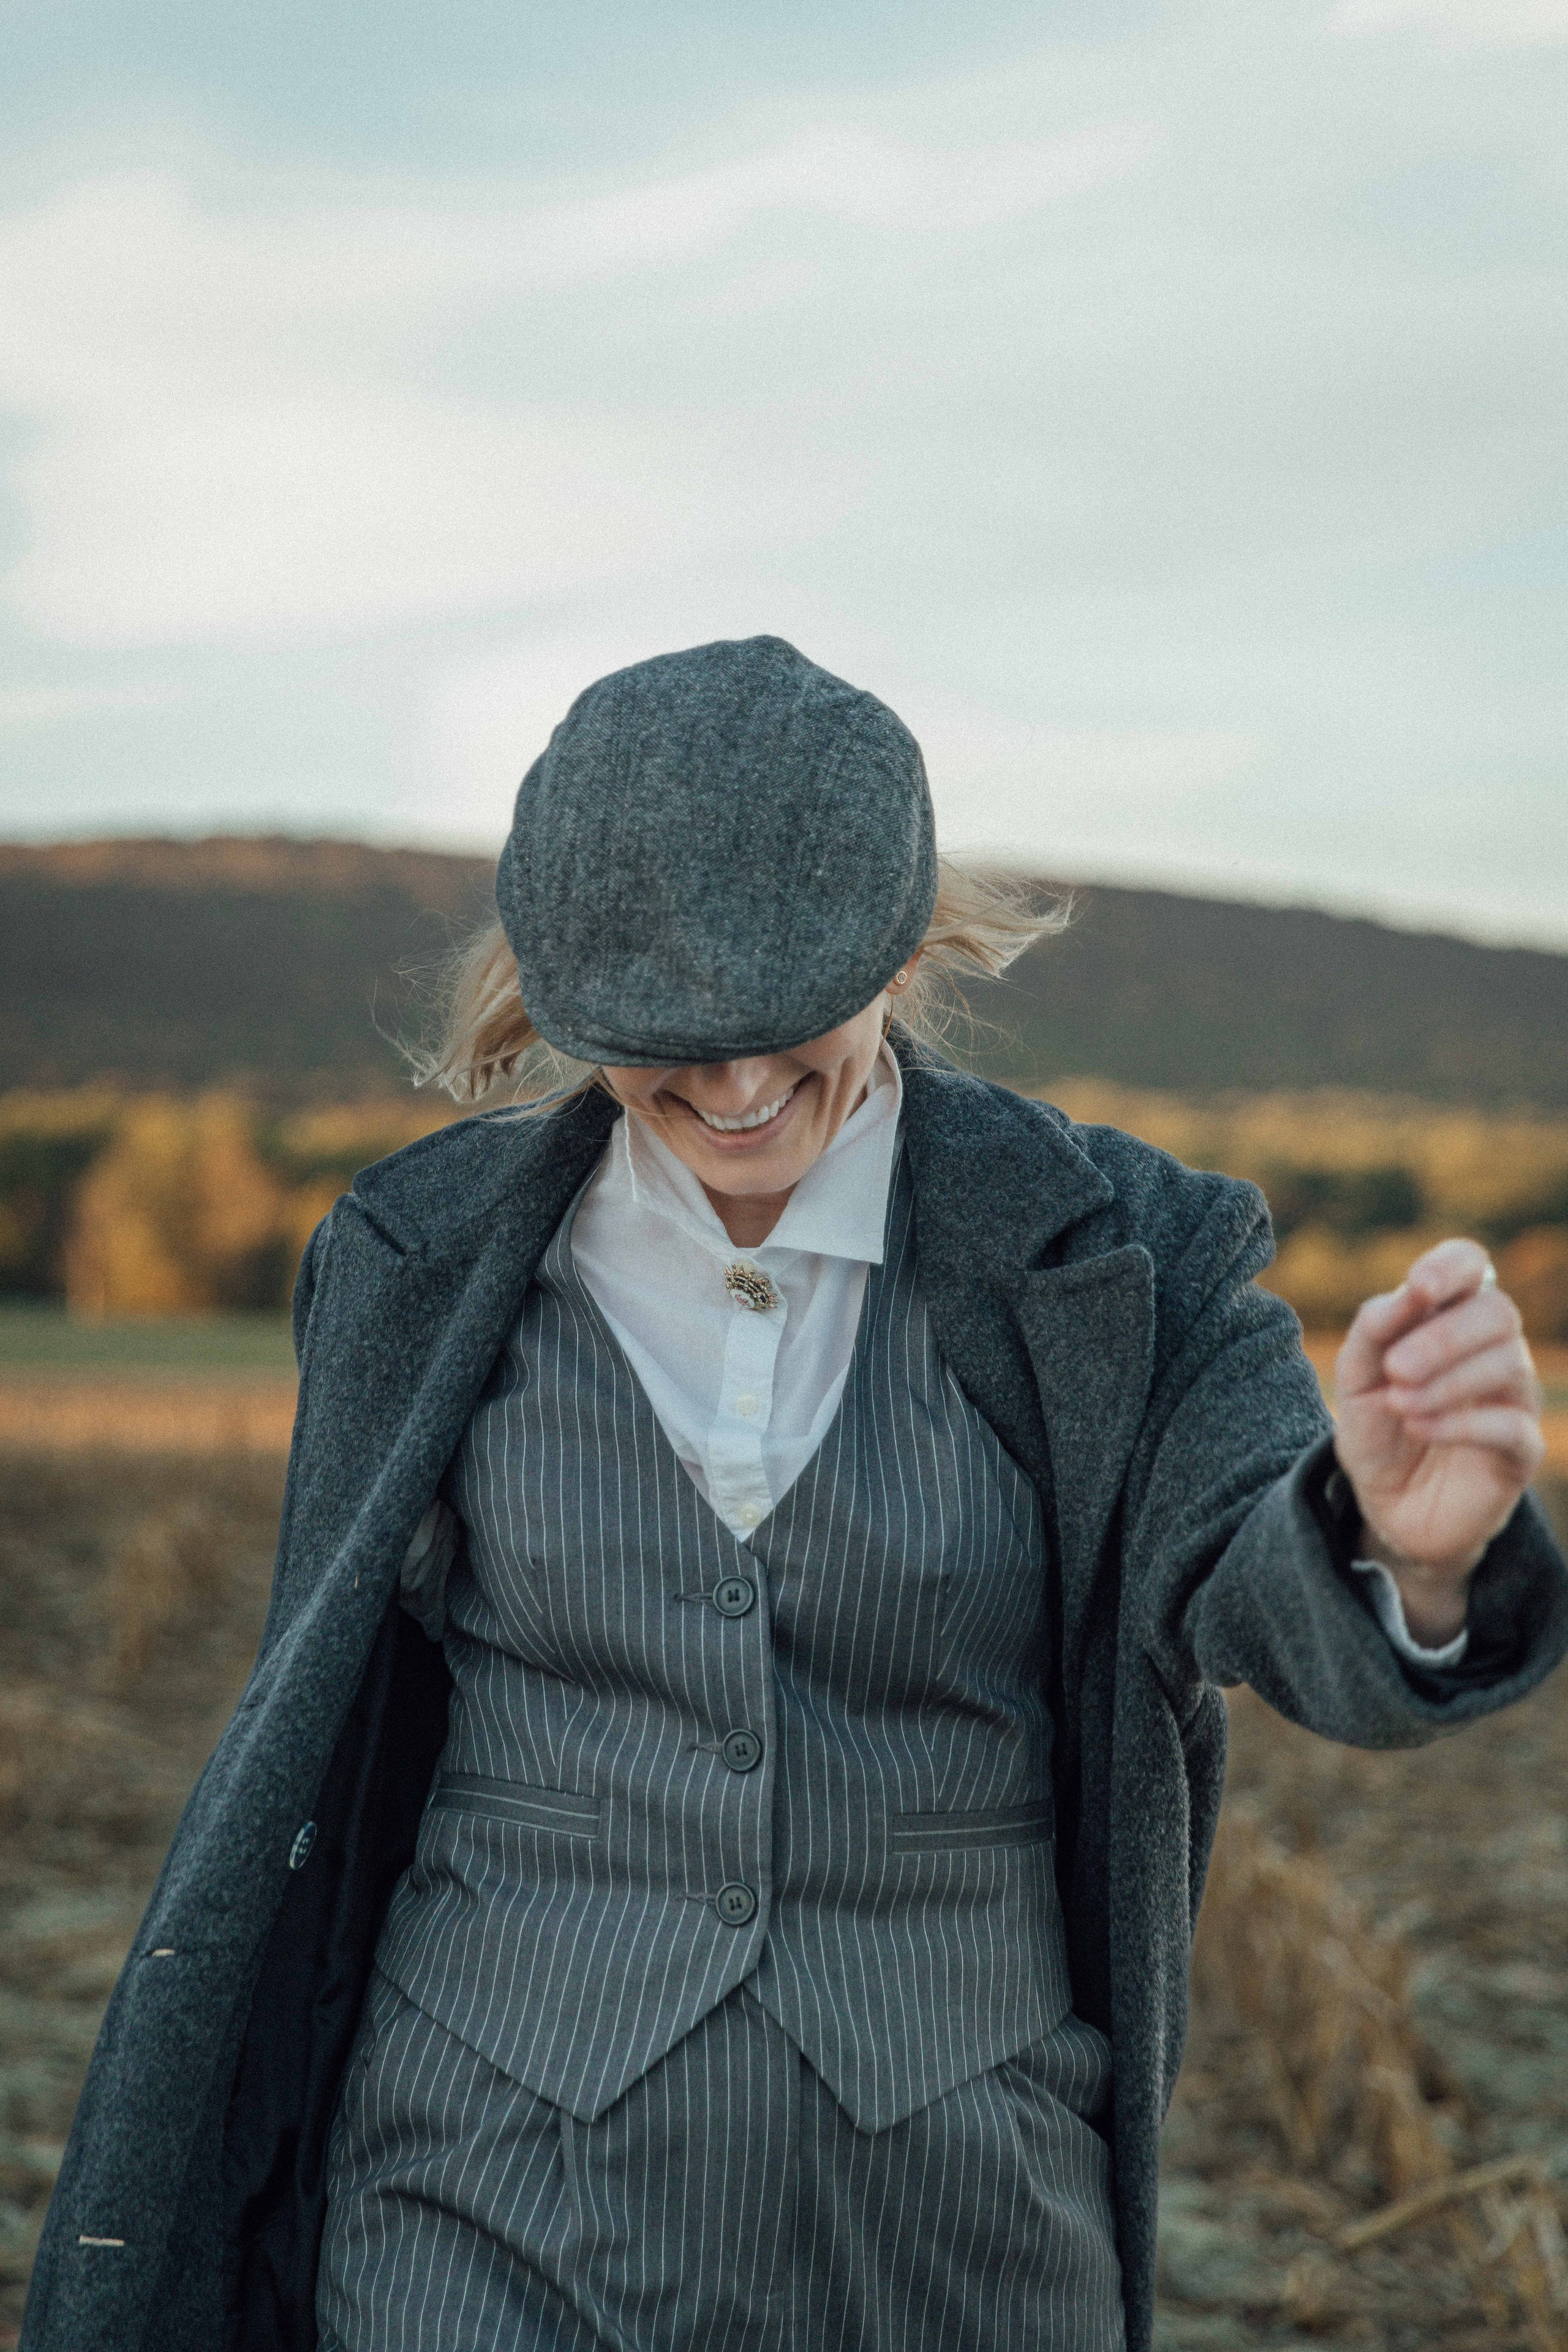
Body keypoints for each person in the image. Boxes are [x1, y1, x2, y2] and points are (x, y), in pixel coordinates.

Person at [22, 635, 1566, 2352]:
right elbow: (332, 1719)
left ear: (901, 942)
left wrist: (1402, 1549)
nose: (741, 1089)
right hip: (479, 2210)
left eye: (788, 1023)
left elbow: (1252, 1572)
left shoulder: (1131, 1257)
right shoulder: (411, 1262)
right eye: (668, 1041)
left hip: (965, 2227)